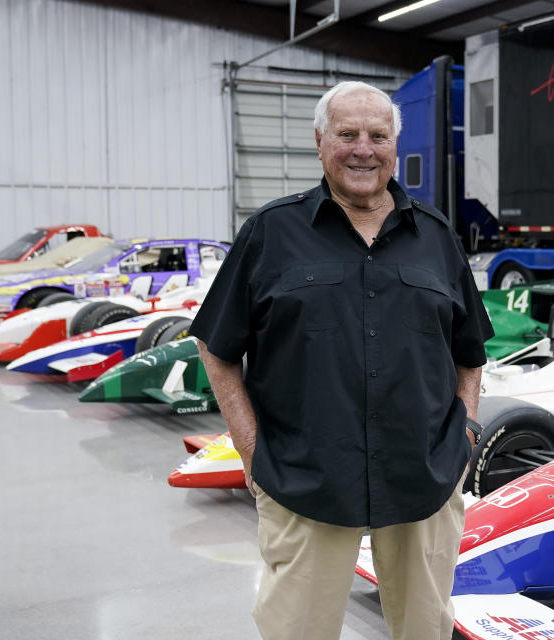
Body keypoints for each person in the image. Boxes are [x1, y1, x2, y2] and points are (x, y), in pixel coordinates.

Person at [190, 80, 493, 640]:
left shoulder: (436, 235)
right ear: (320, 142)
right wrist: (252, 450)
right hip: (305, 478)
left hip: (424, 476)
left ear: (394, 147)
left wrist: (466, 433)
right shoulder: (271, 233)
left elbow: (470, 353)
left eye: (378, 136)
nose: (363, 149)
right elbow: (215, 344)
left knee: (425, 629)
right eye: (347, 133)